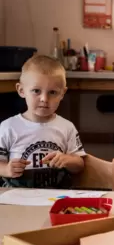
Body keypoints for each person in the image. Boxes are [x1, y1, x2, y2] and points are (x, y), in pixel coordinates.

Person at [0, 55, 86, 188]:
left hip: (56, 198)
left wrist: (67, 160)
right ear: (21, 90)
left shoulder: (67, 127)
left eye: (52, 92)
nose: (44, 99)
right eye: (36, 91)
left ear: (62, 93)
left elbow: (79, 165)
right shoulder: (7, 127)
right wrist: (6, 169)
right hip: (17, 198)